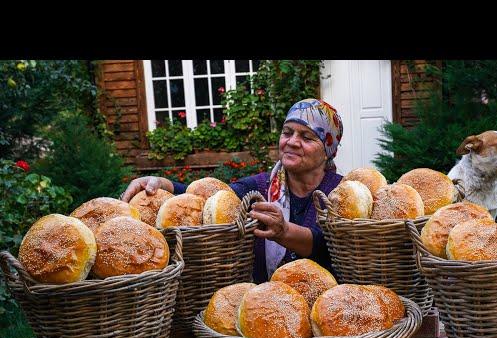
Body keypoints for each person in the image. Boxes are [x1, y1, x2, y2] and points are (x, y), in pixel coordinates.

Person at [120, 98, 344, 284]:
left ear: (327, 151)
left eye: (306, 137)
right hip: (265, 308)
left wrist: (284, 231)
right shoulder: (260, 187)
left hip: (329, 309)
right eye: (287, 132)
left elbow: (327, 244)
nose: (292, 142)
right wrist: (162, 184)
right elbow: (212, 195)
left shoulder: (340, 193)